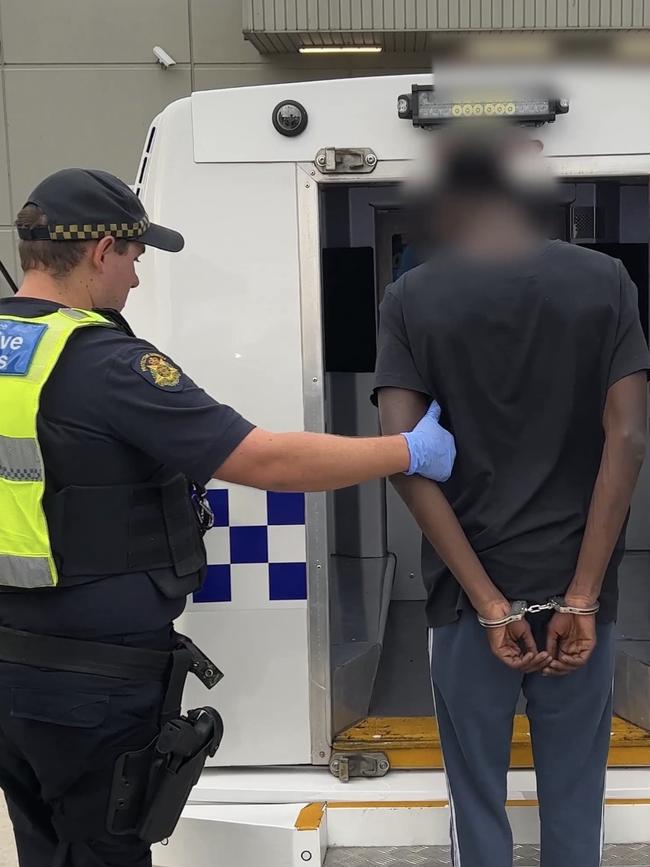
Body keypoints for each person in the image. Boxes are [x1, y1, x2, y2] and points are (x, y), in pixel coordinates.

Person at [0, 167, 456, 867]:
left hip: (12, 673)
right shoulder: (105, 363)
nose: (137, 280)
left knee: (44, 847)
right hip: (92, 685)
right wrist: (404, 450)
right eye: (134, 258)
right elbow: (266, 462)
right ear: (100, 252)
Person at [374, 129, 649, 867]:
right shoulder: (607, 281)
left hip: (467, 606)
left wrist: (491, 602)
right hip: (579, 602)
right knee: (576, 791)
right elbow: (626, 440)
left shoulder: (412, 295)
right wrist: (583, 596)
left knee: (475, 795)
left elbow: (404, 459)